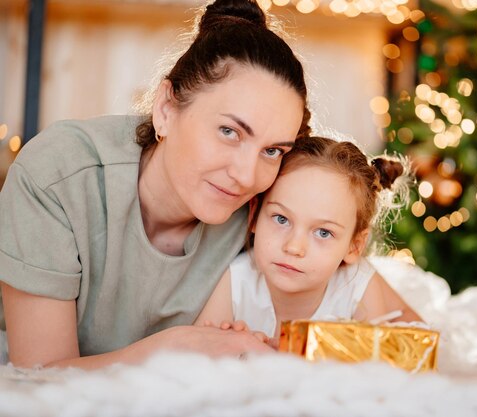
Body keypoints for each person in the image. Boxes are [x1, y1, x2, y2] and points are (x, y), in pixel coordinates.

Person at [0, 0, 311, 369]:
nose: (247, 176)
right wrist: (182, 347)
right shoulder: (60, 174)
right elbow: (38, 376)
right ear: (165, 109)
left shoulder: (266, 204)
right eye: (229, 132)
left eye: (272, 150)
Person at [194, 136, 423, 342]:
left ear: (354, 246)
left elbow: (377, 372)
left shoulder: (357, 288)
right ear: (254, 215)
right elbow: (194, 355)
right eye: (281, 219)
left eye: (323, 232)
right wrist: (231, 347)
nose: (294, 247)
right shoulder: (238, 279)